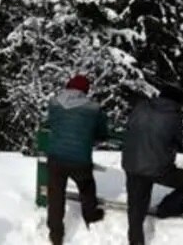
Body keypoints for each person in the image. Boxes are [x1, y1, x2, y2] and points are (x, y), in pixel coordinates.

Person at [122, 84, 183, 245]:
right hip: (157, 168)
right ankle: (167, 207)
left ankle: (135, 242)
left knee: (136, 212)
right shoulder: (174, 116)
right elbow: (179, 142)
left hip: (132, 162)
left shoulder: (141, 106)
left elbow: (129, 127)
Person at [45, 74, 109, 245]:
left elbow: (51, 123)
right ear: (85, 90)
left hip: (55, 157)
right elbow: (102, 133)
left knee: (55, 195)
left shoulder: (54, 102)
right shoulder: (93, 108)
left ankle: (55, 233)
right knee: (87, 186)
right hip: (79, 159)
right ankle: (90, 215)